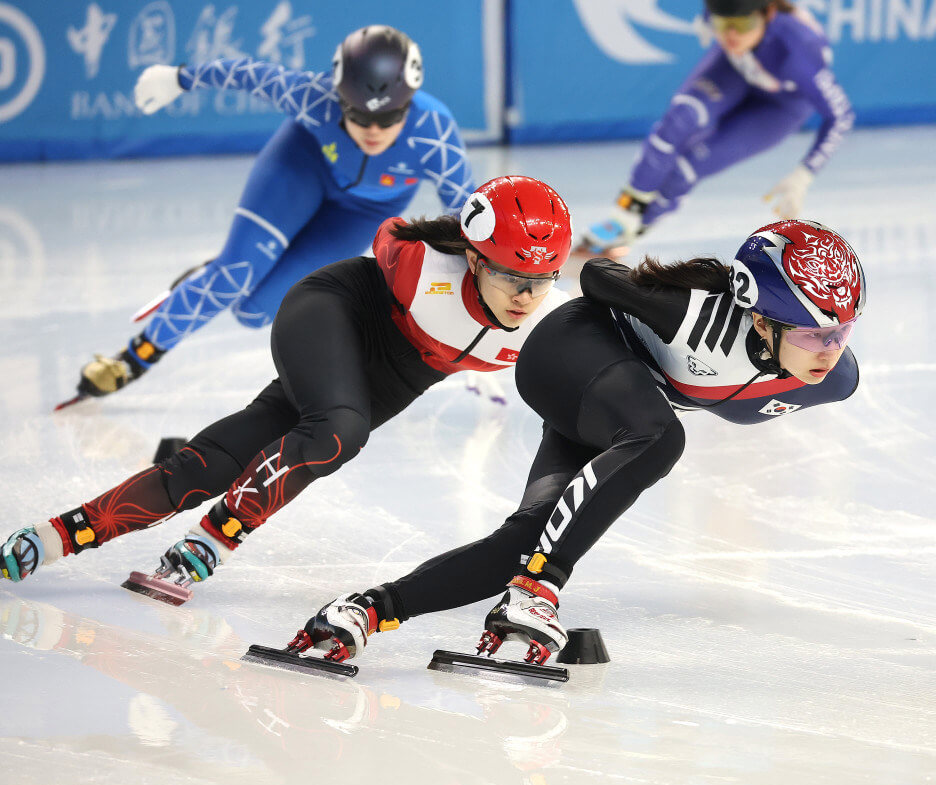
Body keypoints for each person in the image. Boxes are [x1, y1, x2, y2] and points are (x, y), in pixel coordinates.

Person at [280, 218, 866, 667]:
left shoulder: (835, 379)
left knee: (526, 541)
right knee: (661, 438)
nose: (829, 350)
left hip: (613, 408)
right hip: (569, 354)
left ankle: (364, 610)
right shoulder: (693, 317)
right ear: (760, 319)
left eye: (841, 332)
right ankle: (538, 589)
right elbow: (595, 277)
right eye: (813, 334)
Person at [3, 177, 573, 602]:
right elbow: (390, 232)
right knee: (338, 432)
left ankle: (49, 538)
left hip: (397, 377)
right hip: (337, 310)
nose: (524, 296)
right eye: (508, 275)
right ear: (473, 258)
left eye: (540, 280)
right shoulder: (425, 267)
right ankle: (215, 540)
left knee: (218, 462)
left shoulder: (543, 326)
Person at [63, 25, 476, 407]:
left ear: (408, 103)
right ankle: (133, 358)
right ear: (338, 96)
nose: (373, 130)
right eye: (356, 114)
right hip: (301, 168)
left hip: (362, 210)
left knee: (252, 312)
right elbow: (250, 75)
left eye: (388, 118)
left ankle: (214, 273)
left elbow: (465, 221)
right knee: (235, 274)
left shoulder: (433, 131)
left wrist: (471, 313)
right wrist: (179, 78)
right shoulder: (313, 96)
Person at [579, 0, 854, 256]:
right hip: (735, 67)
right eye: (722, 23)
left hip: (781, 107)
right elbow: (725, 17)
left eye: (743, 24)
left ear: (768, 14)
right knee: (678, 120)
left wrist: (805, 173)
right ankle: (622, 217)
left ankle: (634, 230)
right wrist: (710, 20)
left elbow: (841, 116)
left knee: (689, 167)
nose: (731, 35)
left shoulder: (799, 49)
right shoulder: (728, 19)